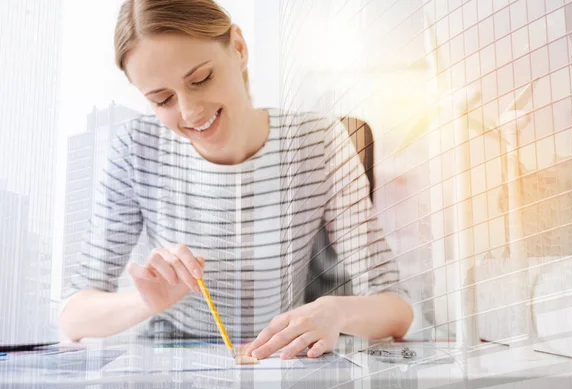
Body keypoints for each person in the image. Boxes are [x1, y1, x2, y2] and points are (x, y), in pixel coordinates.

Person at [59, 0, 413, 361]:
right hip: (171, 367)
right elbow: (74, 316)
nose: (190, 112)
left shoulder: (318, 142)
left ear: (239, 49)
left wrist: (336, 313)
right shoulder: (137, 149)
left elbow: (396, 307)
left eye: (201, 79)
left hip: (282, 362)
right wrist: (146, 302)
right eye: (162, 99)